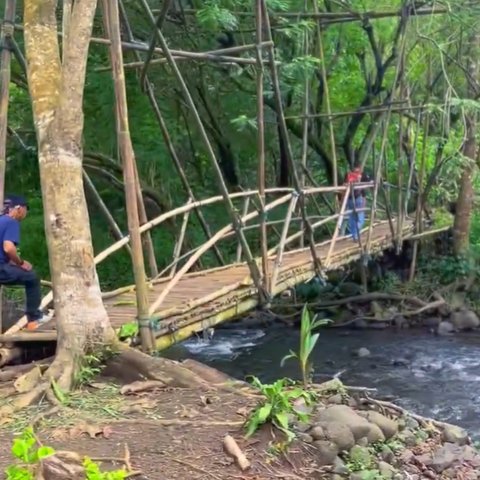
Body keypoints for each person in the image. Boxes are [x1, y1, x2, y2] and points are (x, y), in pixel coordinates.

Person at [0, 195, 51, 331]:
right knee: (31, 277)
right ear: (18, 209)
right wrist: (20, 262)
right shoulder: (11, 222)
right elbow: (8, 247)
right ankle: (34, 319)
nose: (25, 213)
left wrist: (12, 262)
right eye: (25, 209)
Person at [343, 163, 369, 242]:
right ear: (360, 167)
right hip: (358, 198)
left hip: (349, 198)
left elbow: (344, 185)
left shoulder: (348, 175)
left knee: (352, 217)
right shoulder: (360, 175)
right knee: (360, 218)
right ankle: (357, 233)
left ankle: (354, 236)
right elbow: (367, 185)